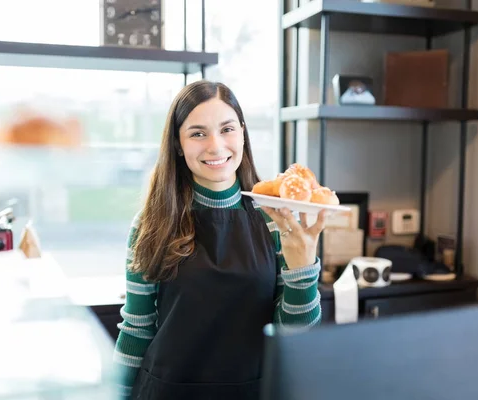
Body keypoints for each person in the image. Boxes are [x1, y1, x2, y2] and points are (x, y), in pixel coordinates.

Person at [113, 80, 326, 400]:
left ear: (242, 133)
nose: (215, 146)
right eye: (198, 133)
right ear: (178, 144)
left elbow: (293, 339)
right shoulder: (151, 224)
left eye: (227, 129)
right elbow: (137, 329)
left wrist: (304, 271)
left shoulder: (277, 219)